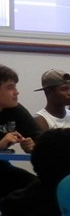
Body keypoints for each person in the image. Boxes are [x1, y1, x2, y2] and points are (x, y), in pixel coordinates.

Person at [0, 65, 41, 198]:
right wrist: (1, 143)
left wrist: (32, 146)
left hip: (2, 170)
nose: (17, 92)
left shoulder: (15, 110)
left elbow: (40, 138)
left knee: (38, 189)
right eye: (10, 88)